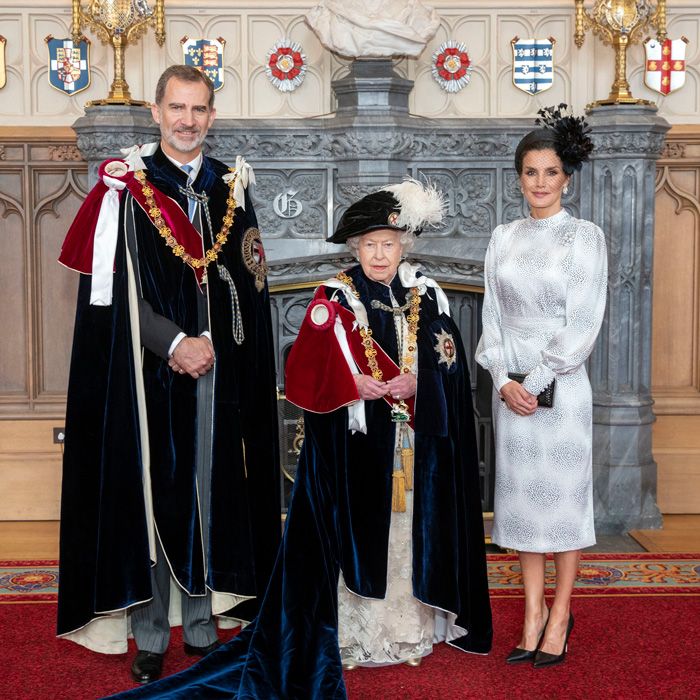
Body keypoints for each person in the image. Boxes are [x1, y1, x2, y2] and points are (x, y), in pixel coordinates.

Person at [108, 180, 492, 699]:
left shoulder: (428, 295)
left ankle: (407, 630)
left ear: (406, 245)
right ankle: (356, 635)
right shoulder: (333, 299)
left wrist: (421, 382)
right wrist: (350, 384)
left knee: (406, 537)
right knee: (359, 538)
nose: (380, 254)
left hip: (410, 447)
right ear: (356, 247)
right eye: (370, 244)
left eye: (390, 244)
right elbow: (302, 374)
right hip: (353, 452)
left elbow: (450, 362)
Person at [56, 65, 281, 684]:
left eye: (199, 109)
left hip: (219, 373)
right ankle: (153, 632)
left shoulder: (227, 188)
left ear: (212, 115)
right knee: (157, 494)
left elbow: (248, 287)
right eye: (177, 108)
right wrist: (177, 342)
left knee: (212, 494)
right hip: (147, 374)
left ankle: (205, 624)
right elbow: (116, 295)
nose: (187, 120)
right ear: (156, 112)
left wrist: (219, 349)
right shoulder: (127, 189)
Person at [476, 104, 607, 668]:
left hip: (563, 389)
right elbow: (491, 317)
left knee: (563, 508)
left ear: (567, 178)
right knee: (523, 510)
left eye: (550, 172)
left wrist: (538, 379)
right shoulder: (503, 237)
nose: (540, 182)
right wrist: (503, 380)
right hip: (513, 396)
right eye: (530, 172)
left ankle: (560, 615)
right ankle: (530, 614)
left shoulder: (586, 237)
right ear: (519, 177)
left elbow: (584, 320)